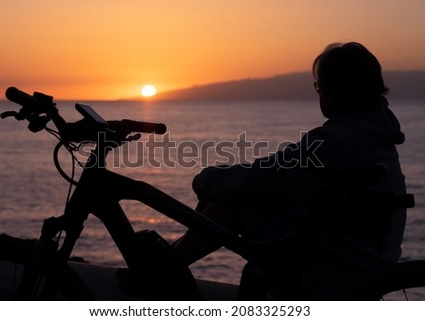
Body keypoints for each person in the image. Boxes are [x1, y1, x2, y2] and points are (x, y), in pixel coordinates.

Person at [173, 42, 407, 299]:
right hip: (367, 271)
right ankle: (167, 264)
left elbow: (262, 177)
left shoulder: (332, 143)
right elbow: (279, 177)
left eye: (319, 86)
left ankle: (161, 270)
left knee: (231, 201)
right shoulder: (380, 139)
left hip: (324, 277)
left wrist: (205, 179)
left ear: (331, 91)